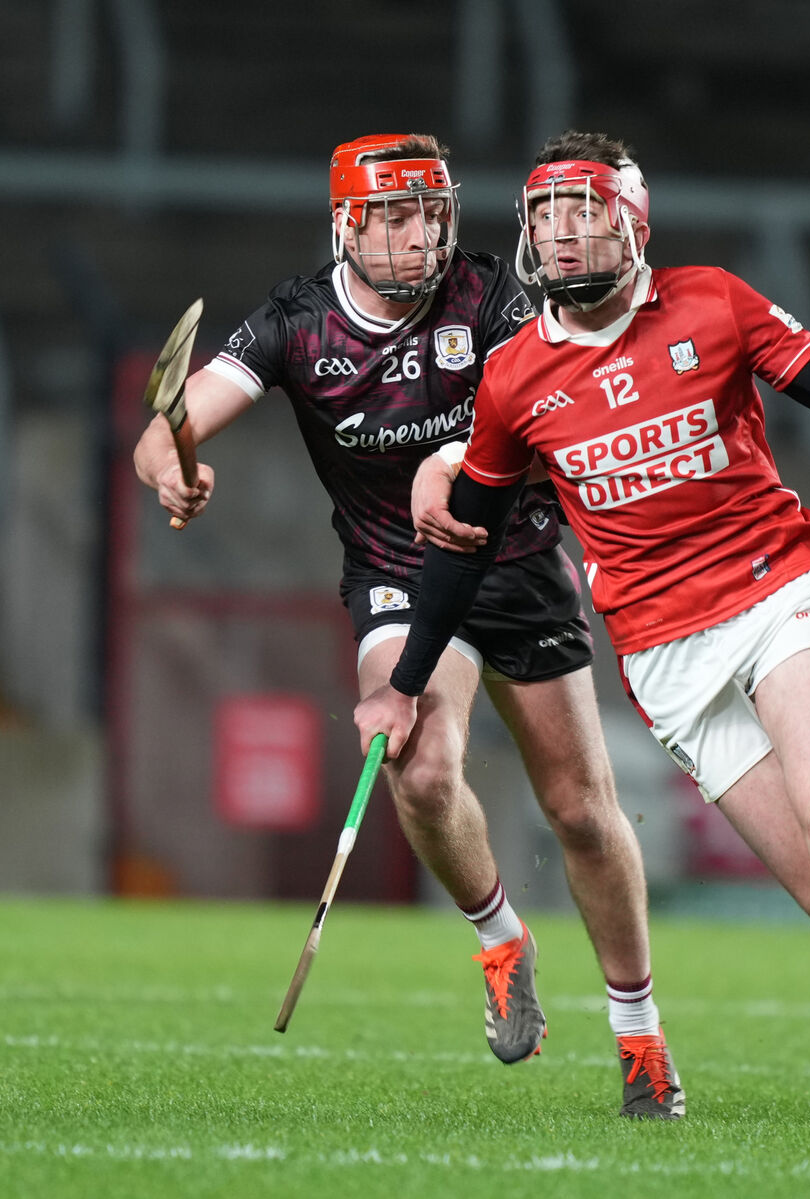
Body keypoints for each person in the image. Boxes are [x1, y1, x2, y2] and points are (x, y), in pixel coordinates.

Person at [354, 130, 810, 1142]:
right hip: (668, 656)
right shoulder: (514, 379)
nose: (563, 234)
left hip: (776, 589)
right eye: (544, 216)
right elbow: (465, 545)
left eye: (584, 210)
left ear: (633, 221)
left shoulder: (714, 302)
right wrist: (404, 681)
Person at [133, 133, 686, 1119]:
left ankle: (640, 1035)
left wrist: (465, 465)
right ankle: (502, 939)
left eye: (428, 211)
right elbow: (167, 425)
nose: (415, 233)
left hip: (515, 564)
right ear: (346, 224)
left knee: (583, 813)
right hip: (394, 574)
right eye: (390, 215)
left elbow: (553, 395)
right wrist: (173, 467)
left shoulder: (492, 298)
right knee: (419, 762)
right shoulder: (297, 323)